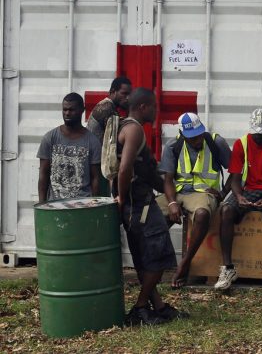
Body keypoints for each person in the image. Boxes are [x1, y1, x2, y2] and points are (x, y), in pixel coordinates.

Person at [114, 88, 187, 326]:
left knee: (144, 260)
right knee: (159, 257)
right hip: (140, 206)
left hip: (136, 205)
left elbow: (143, 170)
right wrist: (122, 199)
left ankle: (159, 306)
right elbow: (125, 168)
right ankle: (140, 307)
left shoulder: (126, 126)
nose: (156, 110)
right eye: (154, 106)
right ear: (143, 107)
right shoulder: (134, 129)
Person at [214, 108, 262, 291]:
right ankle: (227, 269)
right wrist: (239, 196)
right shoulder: (241, 144)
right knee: (226, 210)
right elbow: (235, 178)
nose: (258, 137)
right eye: (256, 133)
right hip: (247, 190)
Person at [157, 112, 231, 288]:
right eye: (192, 137)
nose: (197, 140)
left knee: (202, 214)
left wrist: (222, 192)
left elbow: (237, 171)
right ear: (183, 135)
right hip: (179, 192)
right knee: (150, 215)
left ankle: (185, 263)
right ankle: (153, 267)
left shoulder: (215, 142)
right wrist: (172, 203)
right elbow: (167, 179)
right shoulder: (172, 146)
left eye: (199, 135)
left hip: (203, 193)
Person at [37, 93, 101, 202]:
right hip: (55, 206)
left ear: (82, 110)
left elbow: (95, 178)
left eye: (71, 110)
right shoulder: (50, 138)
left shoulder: (93, 141)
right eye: (64, 110)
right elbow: (43, 174)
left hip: (82, 206)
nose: (67, 113)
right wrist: (42, 205)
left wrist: (93, 204)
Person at [86, 76, 132, 143]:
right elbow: (118, 139)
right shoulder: (107, 108)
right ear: (113, 91)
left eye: (129, 94)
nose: (128, 98)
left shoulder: (107, 105)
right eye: (124, 93)